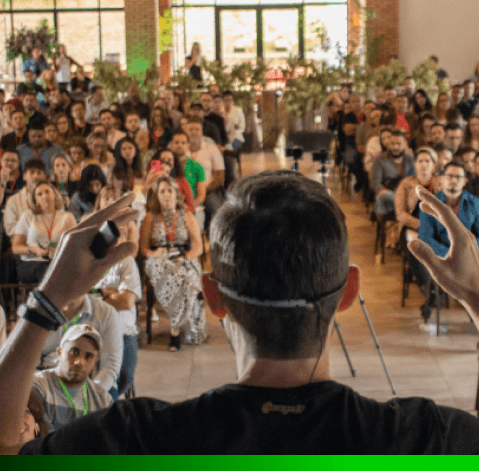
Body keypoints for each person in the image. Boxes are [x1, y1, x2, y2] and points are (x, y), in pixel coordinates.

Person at [6, 181, 479, 455]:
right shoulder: (420, 444)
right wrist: (476, 298)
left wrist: (48, 300)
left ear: (213, 298)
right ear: (348, 293)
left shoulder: (142, 442)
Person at [86, 186, 140, 398]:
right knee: (84, 376)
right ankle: (101, 405)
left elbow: (127, 302)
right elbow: (82, 299)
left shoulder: (127, 262)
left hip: (123, 328)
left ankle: (106, 404)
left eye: (124, 231)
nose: (120, 237)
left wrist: (100, 294)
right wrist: (109, 294)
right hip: (92, 329)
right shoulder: (91, 262)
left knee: (124, 377)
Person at [140, 175, 206, 352]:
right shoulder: (149, 218)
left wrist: (186, 257)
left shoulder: (187, 215)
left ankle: (175, 329)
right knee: (174, 276)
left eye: (170, 191)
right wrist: (154, 253)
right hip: (159, 259)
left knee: (182, 274)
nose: (167, 195)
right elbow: (143, 248)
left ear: (177, 194)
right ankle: (176, 328)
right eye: (162, 191)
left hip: (183, 256)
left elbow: (198, 247)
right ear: (157, 196)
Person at [31, 325, 112, 431]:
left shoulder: (103, 400)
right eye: (74, 352)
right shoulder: (37, 387)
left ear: (95, 362)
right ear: (59, 353)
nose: (80, 362)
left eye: (88, 356)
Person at [394, 148, 442, 317]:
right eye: (420, 161)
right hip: (412, 228)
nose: (423, 165)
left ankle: (433, 292)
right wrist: (421, 225)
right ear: (414, 164)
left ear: (434, 165)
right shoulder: (406, 184)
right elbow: (400, 214)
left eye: (427, 161)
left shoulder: (441, 183)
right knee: (415, 249)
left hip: (437, 229)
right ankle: (430, 292)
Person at [11, 181, 76, 285]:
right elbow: (15, 248)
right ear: (35, 200)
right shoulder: (28, 216)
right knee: (46, 268)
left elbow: (74, 244)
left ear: (54, 194)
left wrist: (55, 249)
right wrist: (33, 250)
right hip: (31, 262)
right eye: (39, 194)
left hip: (56, 260)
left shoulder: (67, 217)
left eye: (47, 192)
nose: (44, 196)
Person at [419, 160, 479, 260]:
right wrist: (449, 255)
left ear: (465, 181)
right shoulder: (430, 203)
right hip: (439, 258)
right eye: (450, 176)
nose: (454, 180)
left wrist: (469, 252)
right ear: (442, 179)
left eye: (458, 177)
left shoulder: (476, 203)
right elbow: (425, 237)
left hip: (469, 257)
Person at [186, 117, 225, 231]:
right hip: (184, 192)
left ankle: (214, 237)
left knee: (218, 211)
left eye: (197, 129)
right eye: (191, 129)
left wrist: (203, 190)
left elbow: (220, 176)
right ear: (186, 132)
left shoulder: (211, 148)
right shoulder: (180, 148)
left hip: (208, 191)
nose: (194, 132)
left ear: (202, 132)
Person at [371, 129, 414, 218]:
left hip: (408, 195)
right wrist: (382, 190)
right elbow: (376, 183)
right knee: (383, 196)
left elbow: (416, 180)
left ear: (405, 144)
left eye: (399, 144)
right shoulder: (380, 159)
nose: (395, 147)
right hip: (389, 194)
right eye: (392, 144)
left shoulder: (410, 159)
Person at [169, 130, 207, 232]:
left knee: (196, 229)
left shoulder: (198, 166)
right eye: (176, 142)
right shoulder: (162, 164)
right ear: (171, 145)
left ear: (188, 146)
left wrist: (190, 206)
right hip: (167, 206)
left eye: (183, 143)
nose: (179, 145)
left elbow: (201, 195)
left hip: (192, 206)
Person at [2, 160, 46, 240]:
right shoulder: (13, 200)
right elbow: (10, 229)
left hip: (48, 242)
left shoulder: (53, 197)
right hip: (21, 243)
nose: (36, 176)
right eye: (32, 172)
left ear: (44, 177)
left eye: (39, 173)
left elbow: (58, 226)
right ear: (24, 176)